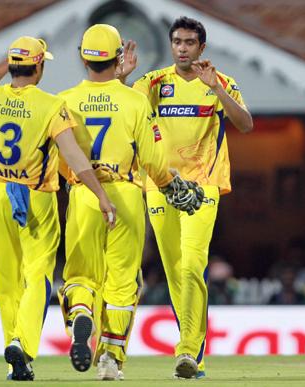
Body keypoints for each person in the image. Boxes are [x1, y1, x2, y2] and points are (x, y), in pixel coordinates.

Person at [57, 24, 202, 381]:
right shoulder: (135, 100)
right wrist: (171, 186)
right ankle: (110, 358)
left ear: (82, 56)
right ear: (118, 58)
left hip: (83, 193)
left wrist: (75, 180)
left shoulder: (63, 101)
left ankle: (81, 316)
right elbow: (153, 158)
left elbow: (60, 155)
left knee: (80, 275)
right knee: (122, 283)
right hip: (124, 192)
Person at [0, 36, 116, 381]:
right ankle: (23, 344)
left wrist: (8, 62)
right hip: (35, 197)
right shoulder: (51, 106)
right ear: (38, 67)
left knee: (5, 282)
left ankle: (15, 360)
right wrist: (100, 194)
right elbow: (74, 156)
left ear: (13, 67)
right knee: (37, 276)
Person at [122, 16, 253, 378]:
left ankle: (188, 351)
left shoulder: (221, 82)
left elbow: (245, 124)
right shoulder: (153, 82)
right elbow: (121, 109)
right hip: (160, 185)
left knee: (194, 264)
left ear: (201, 48)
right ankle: (194, 357)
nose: (182, 48)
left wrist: (219, 91)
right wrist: (120, 77)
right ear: (171, 45)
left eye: (189, 42)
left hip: (203, 185)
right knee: (175, 272)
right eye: (177, 41)